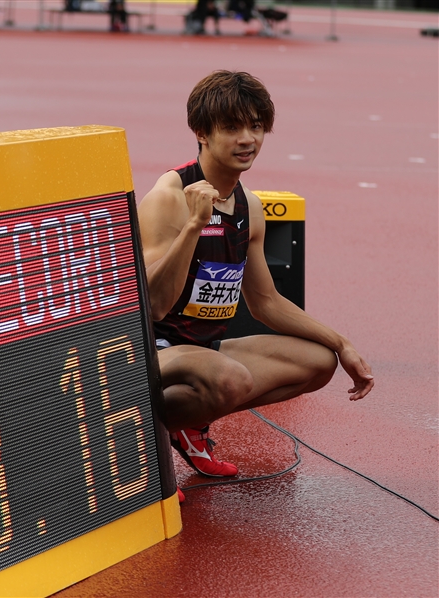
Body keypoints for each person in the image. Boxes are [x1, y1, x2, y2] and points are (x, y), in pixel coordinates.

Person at [138, 71, 374, 480]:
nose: (247, 139)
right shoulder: (167, 198)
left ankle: (188, 425)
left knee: (318, 362)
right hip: (152, 352)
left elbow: (264, 302)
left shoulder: (250, 207)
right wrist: (194, 226)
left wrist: (342, 343)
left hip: (204, 350)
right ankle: (145, 448)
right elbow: (154, 303)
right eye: (231, 127)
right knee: (228, 377)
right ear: (201, 133)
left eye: (256, 126)